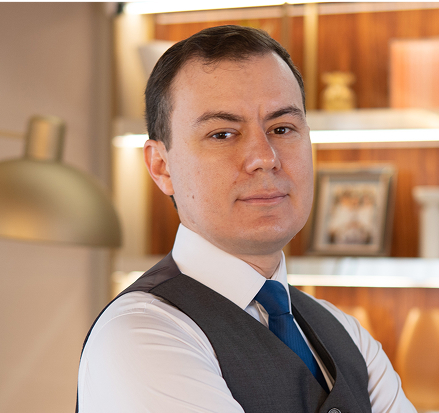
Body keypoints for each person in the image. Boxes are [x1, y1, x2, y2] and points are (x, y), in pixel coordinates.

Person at [77, 25, 415, 413]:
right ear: (161, 166)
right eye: (222, 134)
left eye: (282, 128)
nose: (265, 157)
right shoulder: (140, 335)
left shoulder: (346, 333)